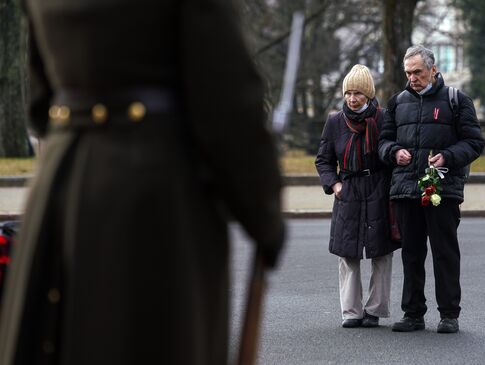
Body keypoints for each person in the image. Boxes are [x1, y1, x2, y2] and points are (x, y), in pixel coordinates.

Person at [0, 0, 285, 364]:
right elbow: (227, 100)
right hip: (155, 188)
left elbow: (41, 104)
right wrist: (264, 214)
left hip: (63, 179)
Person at [378, 45, 485, 334]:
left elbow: (475, 143)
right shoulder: (397, 103)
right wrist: (394, 152)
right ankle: (413, 314)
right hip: (405, 190)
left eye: (418, 72)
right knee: (411, 254)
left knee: (444, 253)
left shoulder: (456, 101)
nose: (412, 78)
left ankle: (449, 314)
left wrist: (448, 157)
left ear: (433, 70)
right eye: (408, 73)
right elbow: (383, 142)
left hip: (442, 190)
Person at [316, 64, 400, 329]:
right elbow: (324, 160)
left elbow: (391, 151)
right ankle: (351, 311)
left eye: (358, 93)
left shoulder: (385, 118)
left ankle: (375, 309)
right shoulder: (334, 121)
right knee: (348, 252)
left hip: (379, 187)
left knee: (381, 252)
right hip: (349, 188)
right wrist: (335, 185)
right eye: (348, 93)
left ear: (369, 94)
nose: (352, 98)